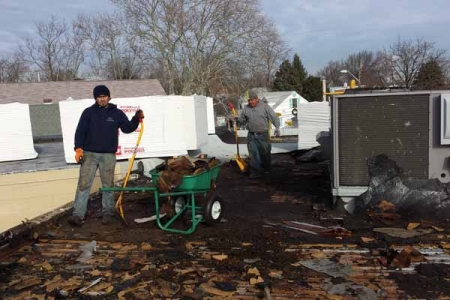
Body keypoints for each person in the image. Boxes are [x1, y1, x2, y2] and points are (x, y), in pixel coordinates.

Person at [67, 85, 144, 227]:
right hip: (89, 154)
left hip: (108, 155)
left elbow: (127, 128)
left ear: (109, 97)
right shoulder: (88, 113)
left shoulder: (117, 113)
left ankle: (108, 213)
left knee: (108, 185)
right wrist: (78, 148)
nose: (102, 99)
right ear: (96, 98)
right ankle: (78, 214)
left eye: (104, 96)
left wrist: (135, 118)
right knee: (84, 184)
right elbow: (80, 131)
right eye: (99, 97)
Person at [237, 90, 280, 179]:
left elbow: (273, 117)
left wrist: (277, 127)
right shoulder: (246, 109)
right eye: (249, 100)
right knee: (253, 154)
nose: (250, 102)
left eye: (252, 100)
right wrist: (238, 121)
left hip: (263, 134)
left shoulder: (265, 107)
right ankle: (255, 172)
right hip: (251, 135)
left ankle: (266, 169)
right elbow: (242, 120)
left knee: (265, 153)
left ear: (257, 99)